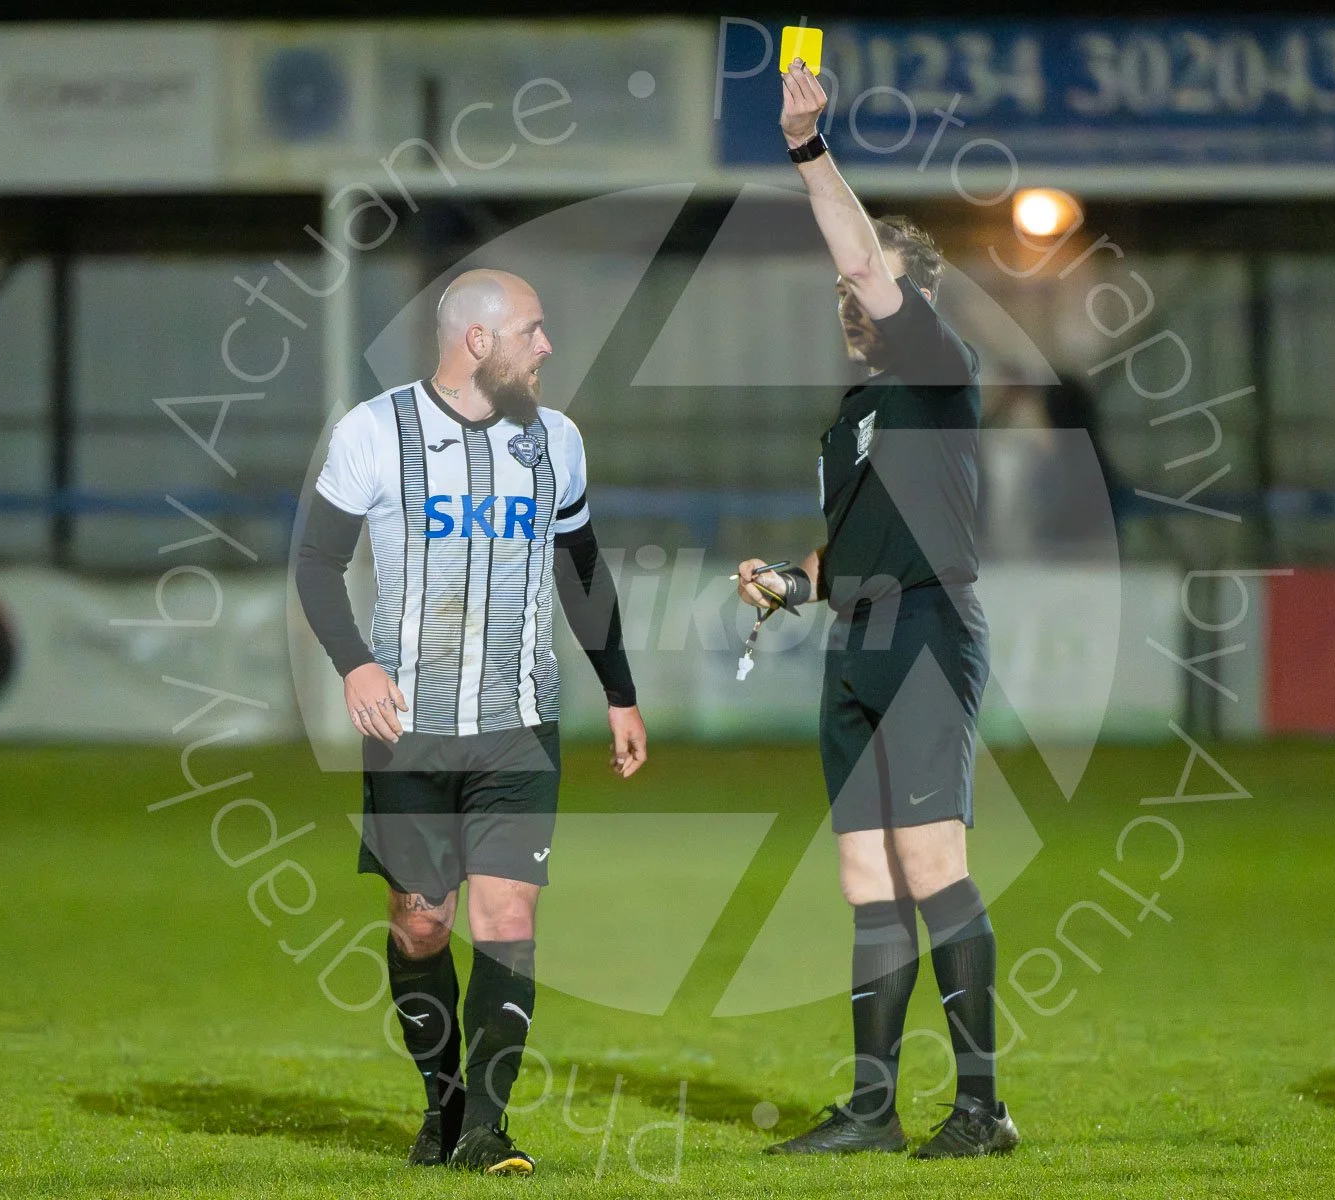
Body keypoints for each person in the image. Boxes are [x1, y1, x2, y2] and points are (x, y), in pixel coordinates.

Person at [294, 268, 648, 1176]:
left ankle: (488, 1127)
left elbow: (582, 570)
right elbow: (314, 564)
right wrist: (357, 664)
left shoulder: (556, 440)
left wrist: (619, 689)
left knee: (507, 914)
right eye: (533, 330)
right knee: (422, 925)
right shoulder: (374, 432)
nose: (547, 347)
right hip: (408, 726)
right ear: (478, 341)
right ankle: (443, 1107)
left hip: (520, 724)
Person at [735, 60, 1018, 1159]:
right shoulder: (854, 412)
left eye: (875, 283)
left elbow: (859, 248)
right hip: (854, 641)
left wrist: (811, 152)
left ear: (917, 300)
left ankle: (983, 1110)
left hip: (924, 636)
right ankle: (870, 1108)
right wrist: (792, 583)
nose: (854, 294)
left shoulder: (938, 375)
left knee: (933, 866)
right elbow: (849, 546)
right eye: (849, 290)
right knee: (867, 878)